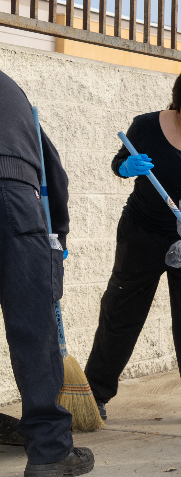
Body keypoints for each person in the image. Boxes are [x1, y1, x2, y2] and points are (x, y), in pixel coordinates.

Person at [85, 68, 181, 427]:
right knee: (121, 311)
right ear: (177, 100)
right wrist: (126, 168)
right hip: (142, 232)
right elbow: (118, 163)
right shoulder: (146, 126)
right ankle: (95, 395)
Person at [0, 71, 94, 476]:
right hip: (12, 196)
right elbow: (53, 175)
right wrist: (57, 240)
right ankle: (50, 454)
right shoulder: (11, 90)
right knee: (33, 329)